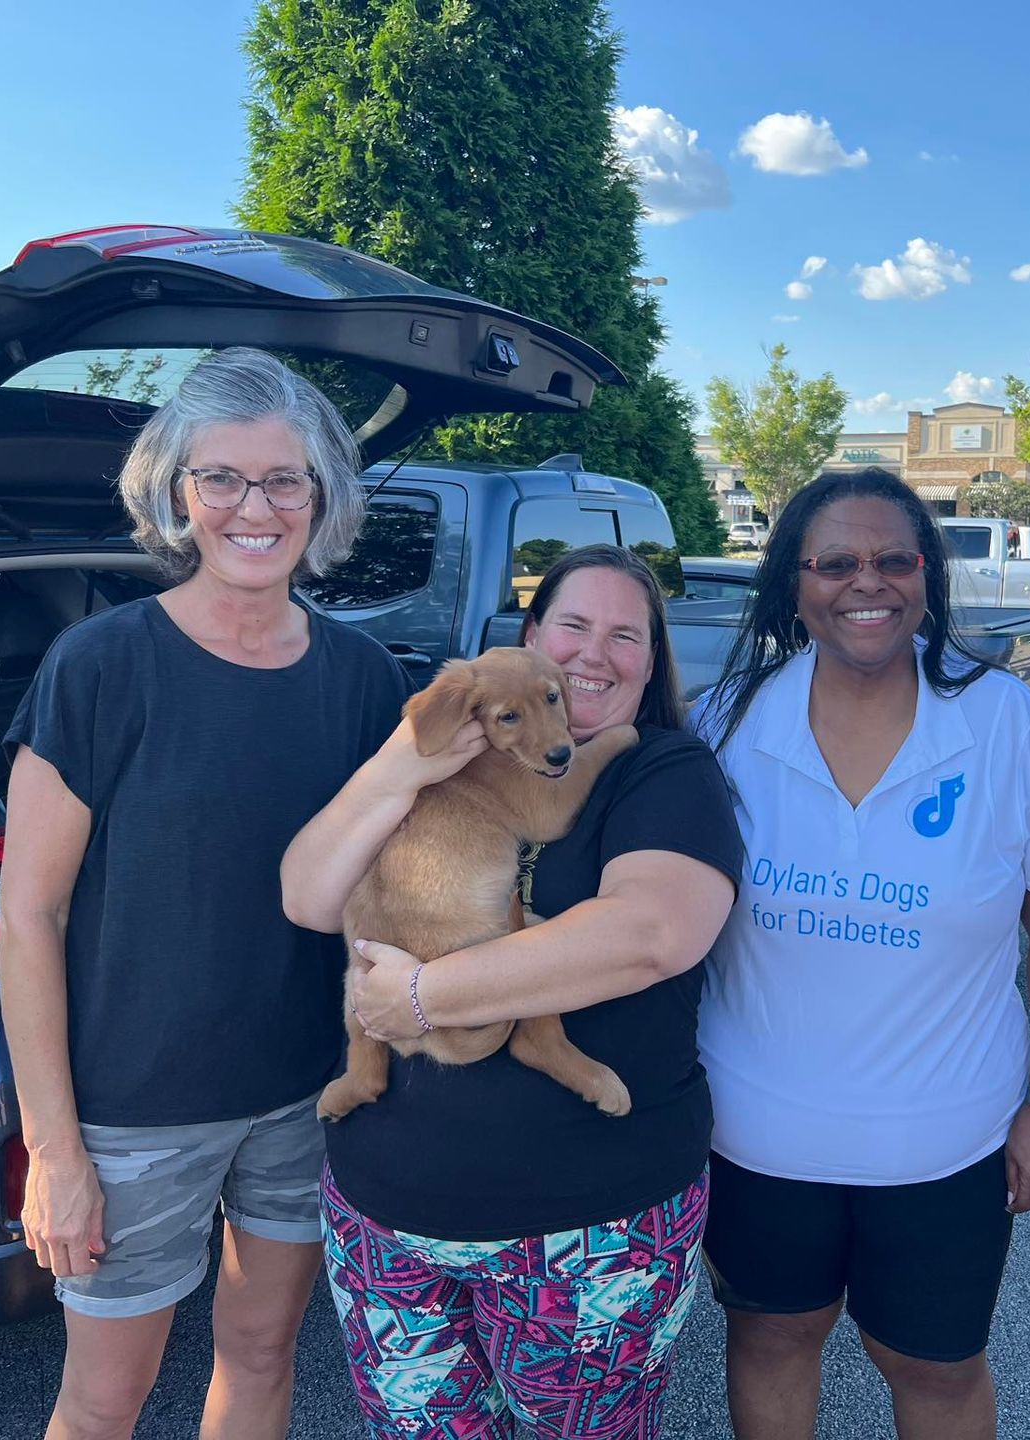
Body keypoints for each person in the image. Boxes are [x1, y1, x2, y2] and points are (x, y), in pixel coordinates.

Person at [0, 347, 431, 1439]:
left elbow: (389, 892)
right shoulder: (99, 667)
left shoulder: (362, 680)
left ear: (322, 496)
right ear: (177, 493)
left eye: (285, 479)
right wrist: (55, 1153)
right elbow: (28, 914)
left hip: (302, 1095)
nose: (255, 507)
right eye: (222, 478)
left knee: (261, 1352)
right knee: (104, 1400)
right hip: (130, 1111)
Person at [281, 544, 742, 1440]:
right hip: (392, 1211)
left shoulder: (663, 770)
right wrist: (408, 765)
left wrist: (423, 999)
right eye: (572, 625)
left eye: (625, 634)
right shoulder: (445, 746)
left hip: (587, 1223)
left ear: (653, 660)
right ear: (533, 636)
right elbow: (307, 897)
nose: (593, 654)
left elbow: (651, 934)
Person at [693, 468, 1030, 1440]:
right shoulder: (727, 726)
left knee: (933, 1369)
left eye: (893, 560)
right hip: (755, 1138)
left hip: (948, 1145)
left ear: (928, 575)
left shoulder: (1002, 722)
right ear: (792, 587)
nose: (865, 583)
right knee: (772, 1342)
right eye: (834, 563)